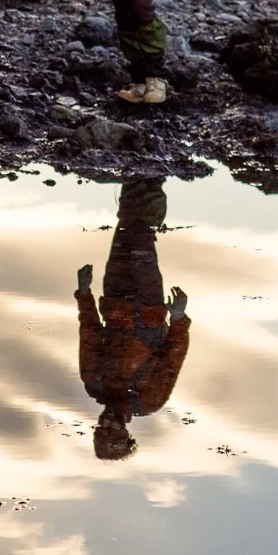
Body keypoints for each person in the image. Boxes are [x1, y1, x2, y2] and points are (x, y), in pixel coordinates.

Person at [75, 179, 190, 461]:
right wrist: (178, 318)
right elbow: (172, 356)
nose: (104, 422)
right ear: (126, 433)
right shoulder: (150, 400)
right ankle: (152, 173)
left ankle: (134, 171)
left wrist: (84, 293)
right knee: (141, 235)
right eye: (111, 430)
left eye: (99, 428)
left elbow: (90, 333)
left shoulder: (94, 384)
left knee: (125, 227)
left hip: (113, 296)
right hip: (148, 301)